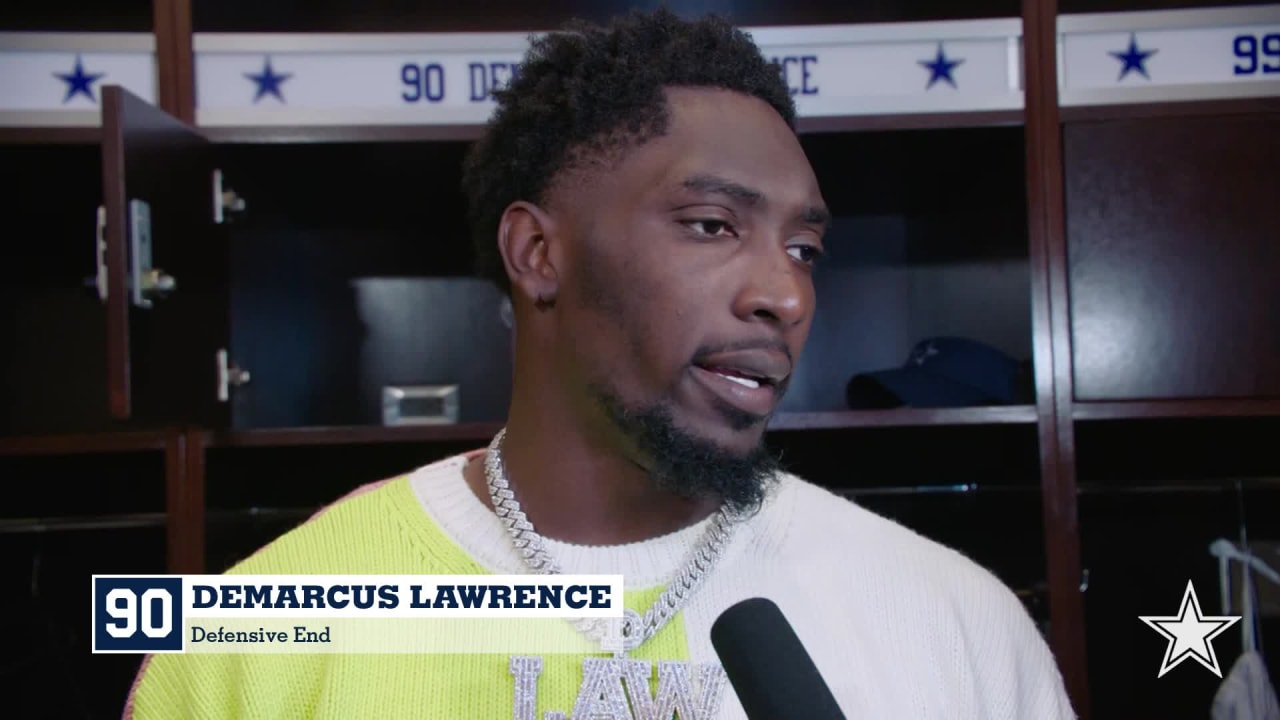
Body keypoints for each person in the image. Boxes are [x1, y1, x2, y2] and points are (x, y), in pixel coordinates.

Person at [124, 8, 1077, 719]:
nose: (786, 295)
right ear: (540, 255)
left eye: (804, 249)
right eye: (712, 226)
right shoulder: (250, 641)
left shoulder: (959, 624)